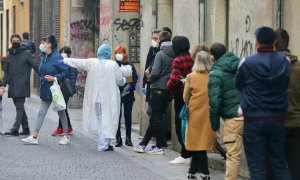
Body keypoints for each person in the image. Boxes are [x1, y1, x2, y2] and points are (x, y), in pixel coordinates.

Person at [236, 26, 292, 180]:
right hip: (277, 118)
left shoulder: (247, 62)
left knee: (257, 168)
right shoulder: (285, 62)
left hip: (254, 119)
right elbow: (286, 83)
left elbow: (238, 85)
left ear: (257, 42)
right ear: (274, 42)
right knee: (279, 164)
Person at [60, 44, 126, 151]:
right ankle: (103, 144)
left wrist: (65, 60)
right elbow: (120, 81)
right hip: (109, 98)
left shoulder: (92, 62)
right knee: (108, 120)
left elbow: (78, 62)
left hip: (96, 98)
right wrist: (124, 79)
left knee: (101, 120)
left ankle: (105, 143)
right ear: (109, 54)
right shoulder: (113, 65)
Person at [21, 35, 70, 145]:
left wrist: (54, 78)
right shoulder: (43, 56)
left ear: (50, 44)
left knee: (61, 112)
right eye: (42, 42)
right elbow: (41, 70)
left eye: (44, 42)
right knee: (41, 112)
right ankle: (34, 136)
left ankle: (66, 136)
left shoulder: (57, 57)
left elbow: (65, 72)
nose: (42, 44)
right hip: (45, 89)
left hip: (55, 89)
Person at [133, 31, 174, 155]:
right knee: (158, 117)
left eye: (156, 39)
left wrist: (149, 78)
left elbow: (155, 72)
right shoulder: (174, 54)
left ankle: (150, 145)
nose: (154, 41)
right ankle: (156, 145)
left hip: (157, 89)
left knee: (155, 118)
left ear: (160, 40)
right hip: (168, 89)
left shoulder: (160, 54)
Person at [208, 43, 243, 180]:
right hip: (251, 113)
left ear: (212, 56)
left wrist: (215, 127)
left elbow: (214, 103)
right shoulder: (240, 65)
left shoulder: (215, 73)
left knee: (233, 155)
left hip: (233, 118)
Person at [184, 51, 216, 180]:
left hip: (194, 115)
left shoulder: (191, 77)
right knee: (200, 143)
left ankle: (205, 173)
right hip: (208, 114)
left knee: (197, 144)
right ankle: (192, 172)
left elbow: (184, 97)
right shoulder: (213, 76)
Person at [1, 34, 39, 136]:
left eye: (18, 40)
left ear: (21, 41)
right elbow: (6, 71)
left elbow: (36, 65)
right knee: (20, 107)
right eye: (14, 41)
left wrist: (45, 76)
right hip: (12, 85)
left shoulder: (26, 53)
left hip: (22, 84)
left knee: (19, 107)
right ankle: (26, 128)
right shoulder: (10, 54)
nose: (16, 42)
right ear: (11, 42)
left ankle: (15, 128)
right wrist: (3, 85)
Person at [274, 29, 299, 180]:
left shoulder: (266, 67)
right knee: (296, 165)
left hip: (273, 123)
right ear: (288, 43)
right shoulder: (298, 67)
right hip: (296, 123)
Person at [167, 36, 193, 165]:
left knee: (180, 124)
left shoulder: (177, 60)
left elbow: (174, 78)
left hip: (180, 94)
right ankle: (190, 151)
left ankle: (185, 153)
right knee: (189, 124)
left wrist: (169, 85)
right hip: (193, 95)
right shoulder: (192, 58)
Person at [113, 45, 138, 147]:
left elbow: (135, 78)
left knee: (128, 116)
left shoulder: (130, 64)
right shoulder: (113, 65)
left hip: (128, 94)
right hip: (117, 93)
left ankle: (128, 138)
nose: (120, 54)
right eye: (118, 53)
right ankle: (118, 138)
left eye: (121, 52)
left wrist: (130, 86)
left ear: (125, 54)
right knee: (117, 117)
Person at [51, 46, 77, 136]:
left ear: (69, 54)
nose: (63, 53)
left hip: (66, 89)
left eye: (65, 52)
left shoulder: (71, 63)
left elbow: (73, 77)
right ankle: (68, 127)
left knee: (61, 108)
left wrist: (71, 89)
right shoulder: (60, 62)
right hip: (60, 88)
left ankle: (61, 128)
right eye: (61, 51)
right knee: (63, 108)